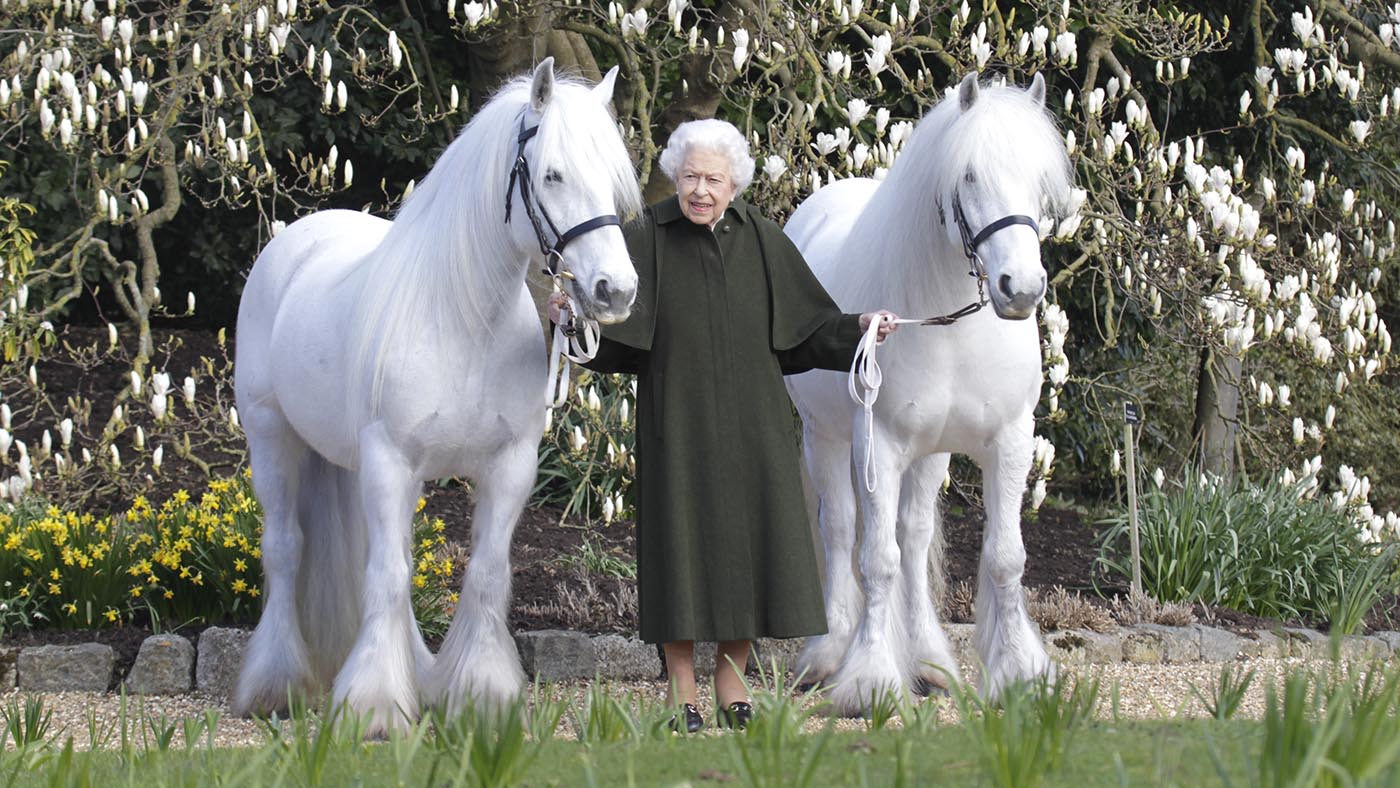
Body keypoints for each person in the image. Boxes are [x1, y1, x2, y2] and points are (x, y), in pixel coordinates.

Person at [549, 118, 896, 732]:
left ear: (734, 182)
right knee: (679, 550)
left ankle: (730, 674)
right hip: (675, 426)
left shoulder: (762, 239)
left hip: (755, 428)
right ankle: (681, 682)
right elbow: (613, 340)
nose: (700, 190)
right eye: (689, 177)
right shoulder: (647, 237)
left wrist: (863, 326)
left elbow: (809, 331)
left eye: (712, 179)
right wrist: (570, 320)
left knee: (750, 552)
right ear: (674, 178)